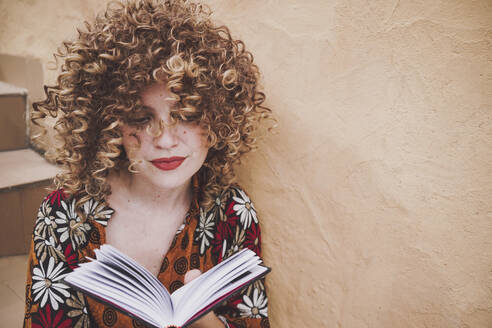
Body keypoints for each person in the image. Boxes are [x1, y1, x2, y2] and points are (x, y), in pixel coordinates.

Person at [23, 0, 273, 327]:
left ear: (217, 119)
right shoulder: (63, 215)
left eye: (187, 115)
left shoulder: (233, 213)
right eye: (141, 118)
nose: (166, 140)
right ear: (110, 123)